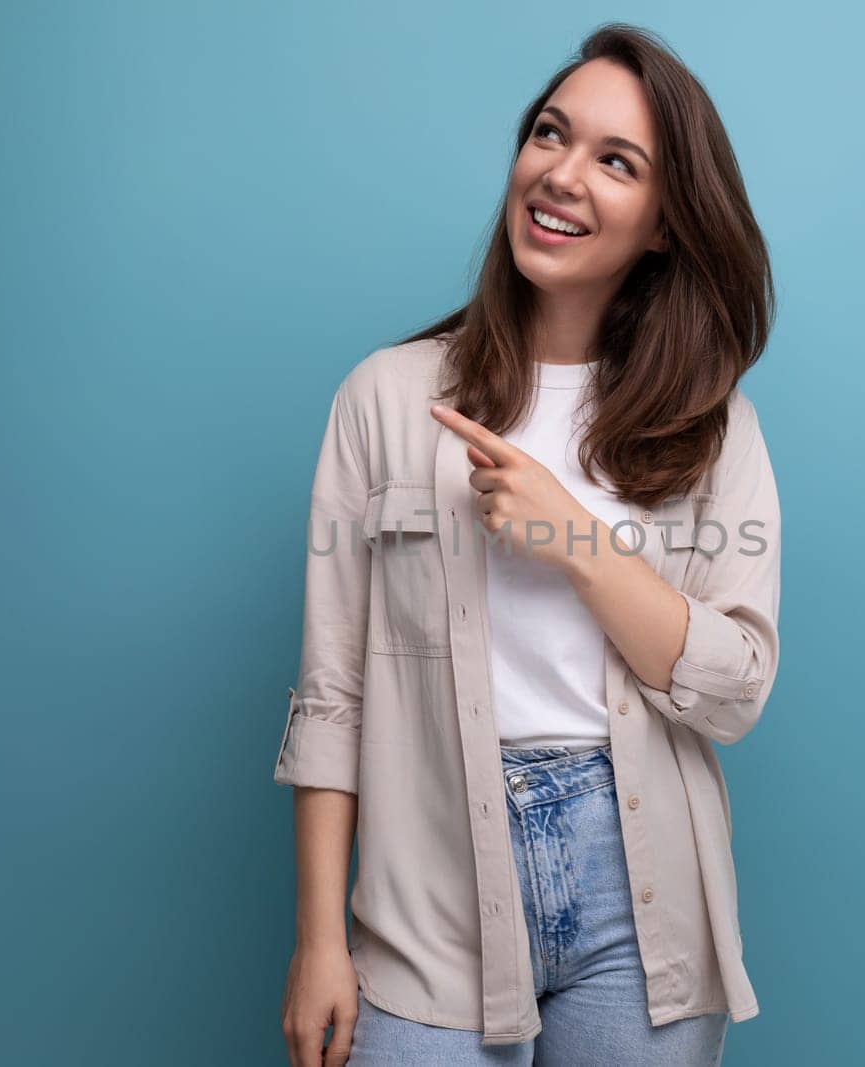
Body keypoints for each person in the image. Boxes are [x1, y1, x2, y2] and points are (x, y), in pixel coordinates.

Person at [277, 22, 781, 1067]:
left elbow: (735, 689)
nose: (560, 174)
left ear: (662, 225)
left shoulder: (710, 423)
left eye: (615, 161)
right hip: (429, 883)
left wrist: (575, 539)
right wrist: (319, 939)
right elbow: (333, 694)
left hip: (641, 900)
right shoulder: (386, 398)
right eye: (549, 134)